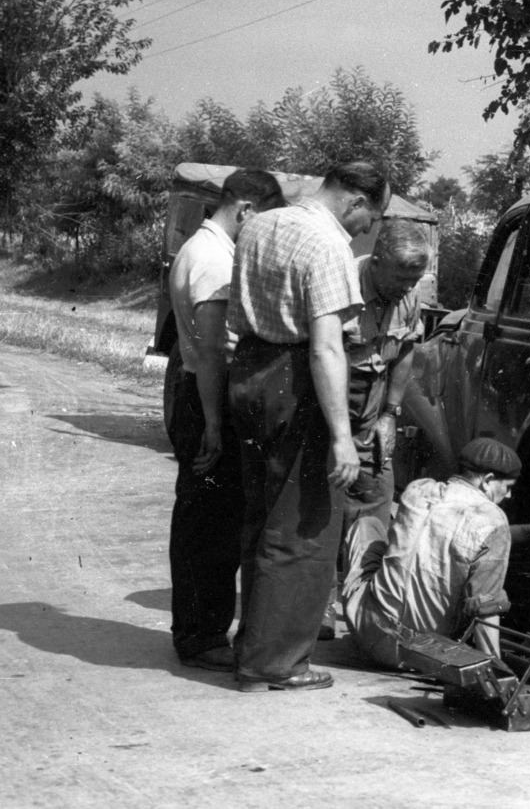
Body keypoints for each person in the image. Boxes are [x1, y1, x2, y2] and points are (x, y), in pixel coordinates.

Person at [225, 160, 389, 693]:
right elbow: (326, 349)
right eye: (372, 218)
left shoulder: (261, 223)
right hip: (294, 381)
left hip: (249, 371)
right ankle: (275, 664)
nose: (367, 230)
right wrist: (342, 436)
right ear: (357, 201)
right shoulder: (328, 245)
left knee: (260, 516)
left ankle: (253, 645)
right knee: (303, 526)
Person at [164, 168, 285, 672]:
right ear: (246, 210)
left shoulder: (201, 248)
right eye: (265, 221)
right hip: (206, 395)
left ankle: (199, 629)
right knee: (210, 525)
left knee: (205, 517)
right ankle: (201, 635)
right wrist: (214, 423)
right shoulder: (214, 260)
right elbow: (213, 350)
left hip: (197, 390)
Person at [341, 437, 522, 668]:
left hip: (368, 632)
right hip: (427, 654)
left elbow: (453, 533)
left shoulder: (417, 491)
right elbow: (485, 607)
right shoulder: (494, 520)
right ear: (487, 481)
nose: (509, 496)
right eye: (507, 487)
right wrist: (495, 670)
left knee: (367, 525)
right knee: (480, 589)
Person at [340, 218, 431, 532]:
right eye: (401, 279)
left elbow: (405, 348)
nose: (408, 288)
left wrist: (390, 413)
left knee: (376, 488)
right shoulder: (342, 285)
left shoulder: (409, 295)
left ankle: (364, 560)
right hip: (331, 397)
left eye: (414, 280)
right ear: (376, 263)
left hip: (373, 400)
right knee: (328, 489)